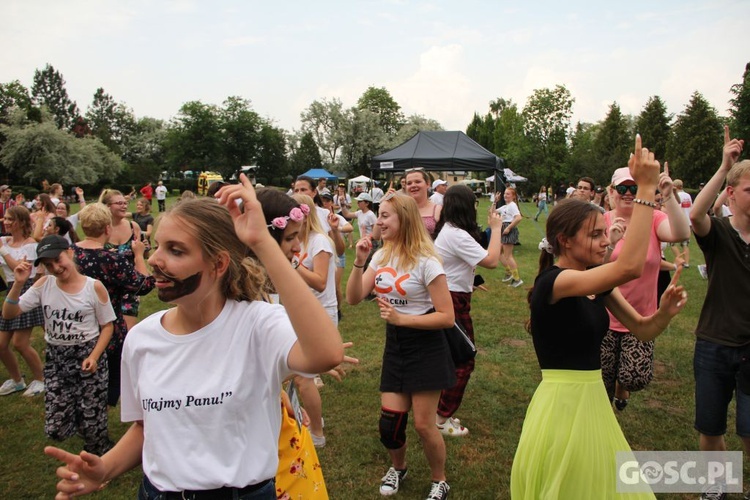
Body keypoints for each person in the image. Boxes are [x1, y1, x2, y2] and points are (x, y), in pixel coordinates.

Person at [45, 175, 344, 499]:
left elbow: (326, 353)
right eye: (158, 245)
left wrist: (262, 242)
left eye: (175, 250)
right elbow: (147, 428)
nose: (155, 260)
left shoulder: (259, 324)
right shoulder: (142, 339)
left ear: (218, 264)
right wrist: (106, 467)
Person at [510, 136, 687, 499]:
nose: (606, 241)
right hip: (561, 405)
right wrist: (647, 189)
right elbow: (631, 266)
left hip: (594, 402)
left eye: (606, 233)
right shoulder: (554, 283)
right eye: (595, 235)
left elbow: (642, 328)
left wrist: (664, 313)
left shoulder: (596, 281)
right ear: (566, 241)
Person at [346, 192, 455, 500]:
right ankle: (400, 468)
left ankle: (440, 480)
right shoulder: (381, 256)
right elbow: (353, 299)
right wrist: (359, 261)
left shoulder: (427, 261)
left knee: (423, 425)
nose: (378, 221)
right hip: (396, 346)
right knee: (390, 425)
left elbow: (447, 317)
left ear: (404, 219)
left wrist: (402, 319)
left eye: (384, 216)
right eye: (378, 215)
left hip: (427, 346)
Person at [3, 234, 116, 455]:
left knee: (92, 416)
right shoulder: (44, 284)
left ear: (70, 253)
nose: (55, 267)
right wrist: (17, 284)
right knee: (56, 427)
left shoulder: (93, 288)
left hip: (87, 353)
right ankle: (81, 421)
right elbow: (10, 313)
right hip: (57, 357)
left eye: (58, 259)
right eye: (48, 264)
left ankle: (100, 451)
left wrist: (93, 357)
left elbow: (108, 327)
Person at [689, 126, 749, 499]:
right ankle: (717, 486)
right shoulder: (721, 233)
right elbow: (696, 214)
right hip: (714, 344)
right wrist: (724, 165)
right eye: (749, 188)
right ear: (732, 193)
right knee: (711, 427)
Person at [601, 161, 690, 410]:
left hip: (641, 316)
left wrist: (668, 196)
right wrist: (609, 244)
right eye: (623, 188)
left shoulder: (654, 218)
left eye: (634, 187)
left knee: (634, 377)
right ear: (611, 192)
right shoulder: (601, 220)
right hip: (605, 314)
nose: (629, 193)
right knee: (601, 381)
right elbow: (594, 267)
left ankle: (622, 386)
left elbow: (681, 234)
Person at [434, 185, 502, 436]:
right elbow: (492, 260)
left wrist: (471, 281)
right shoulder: (456, 234)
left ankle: (436, 413)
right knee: (464, 360)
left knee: (450, 358)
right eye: (474, 203)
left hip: (452, 296)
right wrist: (496, 229)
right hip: (451, 301)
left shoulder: (450, 231)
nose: (476, 208)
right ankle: (440, 419)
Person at [74, 203, 155, 408]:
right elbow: (144, 285)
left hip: (75, 325)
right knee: (107, 376)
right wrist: (138, 255)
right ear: (107, 229)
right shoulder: (112, 260)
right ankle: (99, 409)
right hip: (107, 328)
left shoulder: (69, 255)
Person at [291, 193, 337, 448]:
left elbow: (320, 283)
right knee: (294, 375)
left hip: (320, 313)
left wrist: (292, 264)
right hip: (297, 311)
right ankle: (310, 419)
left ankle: (317, 433)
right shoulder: (295, 241)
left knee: (302, 377)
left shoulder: (319, 241)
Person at [0, 206, 45, 396]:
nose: (6, 222)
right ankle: (17, 380)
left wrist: (3, 251)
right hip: (11, 290)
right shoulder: (4, 241)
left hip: (26, 291)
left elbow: (20, 268)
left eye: (10, 219)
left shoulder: (30, 245)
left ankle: (41, 379)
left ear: (21, 222)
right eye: (5, 219)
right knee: (1, 344)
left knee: (20, 343)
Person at [99, 189, 142, 336]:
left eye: (125, 203)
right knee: (105, 332)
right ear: (108, 206)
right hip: (105, 288)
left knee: (127, 333)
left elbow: (141, 253)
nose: (124, 206)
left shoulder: (133, 226)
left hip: (129, 287)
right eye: (119, 203)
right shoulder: (100, 228)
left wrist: (142, 250)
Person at [498, 187, 524, 288]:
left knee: (508, 256)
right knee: (499, 253)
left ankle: (517, 279)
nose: (505, 195)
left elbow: (518, 217)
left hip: (508, 230)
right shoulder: (506, 206)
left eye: (508, 194)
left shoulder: (512, 206)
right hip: (504, 229)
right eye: (505, 193)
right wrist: (495, 201)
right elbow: (492, 211)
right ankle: (509, 273)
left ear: (513, 196)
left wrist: (508, 228)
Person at [404, 168, 442, 237]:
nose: (413, 185)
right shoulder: (400, 209)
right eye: (409, 183)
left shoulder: (438, 210)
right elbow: (377, 235)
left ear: (428, 184)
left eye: (418, 182)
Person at [671, 179, 693, 268]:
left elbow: (676, 208)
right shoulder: (688, 195)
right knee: (685, 244)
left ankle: (680, 260)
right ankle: (687, 263)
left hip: (680, 221)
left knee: (672, 243)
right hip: (688, 221)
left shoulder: (676, 196)